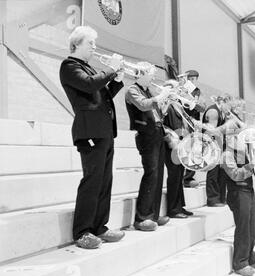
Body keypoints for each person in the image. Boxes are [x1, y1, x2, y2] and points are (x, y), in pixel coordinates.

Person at [59, 26, 125, 249]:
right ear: (76, 44)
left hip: (104, 130)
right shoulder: (69, 66)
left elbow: (102, 95)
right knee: (92, 181)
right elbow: (89, 85)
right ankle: (82, 231)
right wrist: (111, 71)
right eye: (91, 43)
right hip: (89, 132)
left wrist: (116, 79)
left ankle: (100, 227)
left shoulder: (88, 67)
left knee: (105, 181)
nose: (95, 48)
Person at [125, 62, 173, 231]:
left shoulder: (148, 90)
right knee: (151, 173)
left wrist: (166, 101)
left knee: (159, 174)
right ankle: (142, 217)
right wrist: (161, 96)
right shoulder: (132, 90)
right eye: (151, 74)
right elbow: (144, 105)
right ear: (142, 74)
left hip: (157, 132)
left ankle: (152, 214)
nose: (153, 77)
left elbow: (157, 111)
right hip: (146, 135)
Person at [221, 130, 255, 276]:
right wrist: (251, 165)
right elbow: (235, 174)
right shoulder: (226, 155)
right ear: (227, 139)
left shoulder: (243, 151)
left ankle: (250, 257)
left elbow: (254, 170)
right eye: (235, 137)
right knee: (243, 229)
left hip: (248, 190)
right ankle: (240, 263)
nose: (239, 139)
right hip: (238, 193)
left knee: (252, 227)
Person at [163, 82, 195, 219]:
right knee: (174, 176)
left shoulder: (178, 106)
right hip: (172, 146)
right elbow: (163, 125)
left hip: (182, 145)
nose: (179, 91)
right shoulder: (167, 105)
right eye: (177, 89)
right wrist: (172, 140)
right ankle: (173, 209)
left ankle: (180, 206)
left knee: (179, 176)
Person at [202, 95, 229, 207]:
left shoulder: (221, 112)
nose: (229, 109)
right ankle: (212, 199)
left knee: (221, 172)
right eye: (228, 106)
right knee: (213, 172)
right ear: (222, 102)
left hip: (218, 144)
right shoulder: (213, 111)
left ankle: (221, 197)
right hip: (211, 145)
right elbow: (211, 131)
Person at [181, 70, 204, 188]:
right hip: (182, 121)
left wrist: (196, 102)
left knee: (194, 149)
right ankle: (184, 178)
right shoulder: (181, 88)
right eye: (190, 79)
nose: (192, 81)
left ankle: (189, 177)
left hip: (193, 122)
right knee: (186, 149)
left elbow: (200, 107)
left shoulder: (197, 90)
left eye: (194, 79)